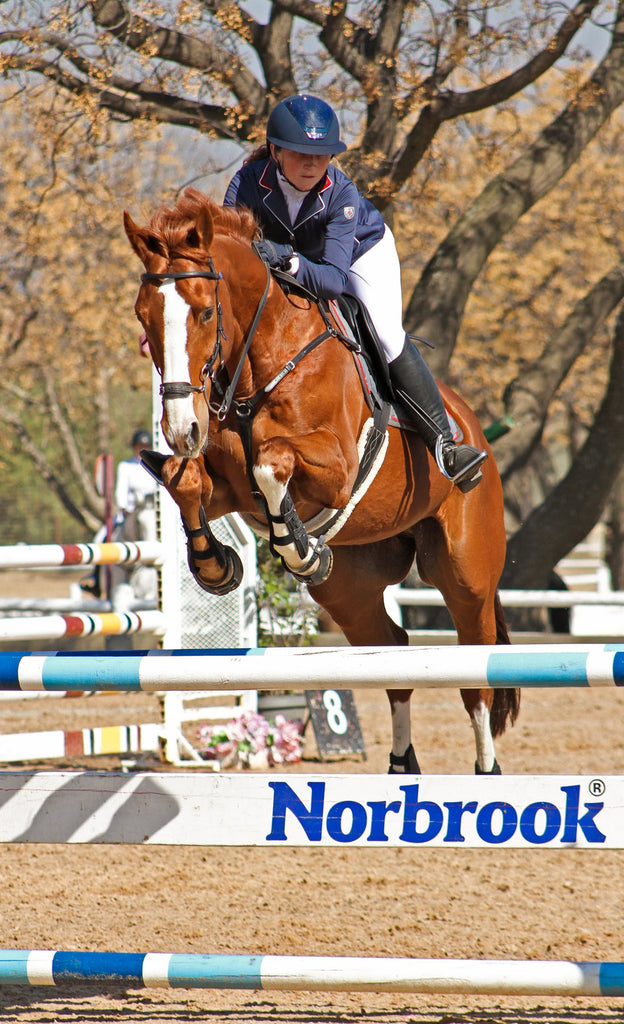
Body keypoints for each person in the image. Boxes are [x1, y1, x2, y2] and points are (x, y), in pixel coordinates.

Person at [223, 93, 487, 492]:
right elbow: (226, 258)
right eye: (300, 154)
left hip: (359, 254)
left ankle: (446, 446)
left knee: (383, 332)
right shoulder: (245, 183)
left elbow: (331, 281)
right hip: (295, 260)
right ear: (275, 151)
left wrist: (286, 258)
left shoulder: (341, 193)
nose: (312, 165)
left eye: (322, 155)